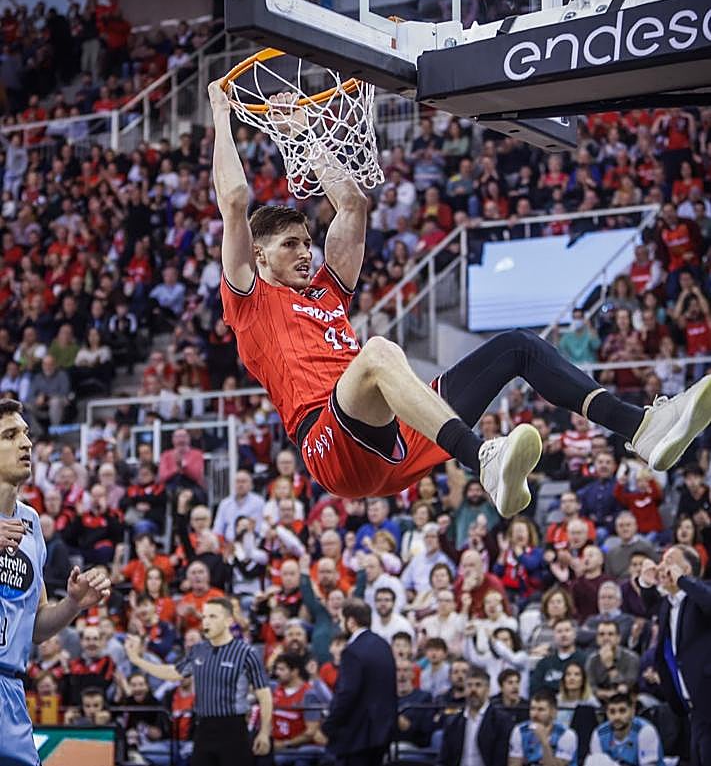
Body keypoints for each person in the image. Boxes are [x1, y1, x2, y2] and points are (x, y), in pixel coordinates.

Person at [208, 80, 711, 518]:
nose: (304, 253)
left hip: (394, 435)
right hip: (331, 445)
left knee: (518, 345)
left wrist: (303, 134)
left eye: (305, 242)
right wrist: (220, 112)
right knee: (379, 352)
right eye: (289, 245)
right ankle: (482, 459)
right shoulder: (250, 299)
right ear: (258, 254)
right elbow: (233, 203)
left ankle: (639, 426)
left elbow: (353, 204)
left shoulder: (326, 289)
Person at [0, 399, 111, 766]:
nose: (26, 444)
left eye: (26, 435)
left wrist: (73, 604)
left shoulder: (31, 523)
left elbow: (35, 626)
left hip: (11, 690)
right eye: (10, 435)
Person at [126, 596, 272, 765]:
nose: (206, 622)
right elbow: (173, 672)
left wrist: (264, 732)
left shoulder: (246, 652)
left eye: (213, 617)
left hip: (233, 728)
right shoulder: (198, 650)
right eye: (204, 617)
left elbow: (264, 695)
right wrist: (137, 660)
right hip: (204, 727)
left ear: (228, 621)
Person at [638, 545, 711, 766]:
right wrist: (645, 582)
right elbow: (651, 603)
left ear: (686, 569)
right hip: (693, 706)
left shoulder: (701, 594)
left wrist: (683, 581)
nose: (661, 566)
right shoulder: (669, 604)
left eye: (669, 561)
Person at [321, 598, 397, 766]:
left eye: (342, 620)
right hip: (382, 732)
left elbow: (347, 693)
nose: (340, 625)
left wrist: (329, 725)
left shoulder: (352, 651)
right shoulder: (383, 645)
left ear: (351, 622)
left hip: (357, 735)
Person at [437, 665, 512, 766]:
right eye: (469, 685)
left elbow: (500, 760)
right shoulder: (453, 722)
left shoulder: (501, 720)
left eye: (478, 685)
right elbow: (444, 760)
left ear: (488, 689)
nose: (473, 690)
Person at [589, 691, 664, 765]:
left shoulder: (645, 730)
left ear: (632, 711)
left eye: (622, 711)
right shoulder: (599, 733)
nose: (617, 717)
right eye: (612, 712)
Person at [508, 689, 578, 766]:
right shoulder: (520, 731)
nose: (535, 714)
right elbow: (514, 763)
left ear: (553, 712)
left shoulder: (566, 735)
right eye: (532, 709)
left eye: (541, 710)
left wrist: (544, 742)